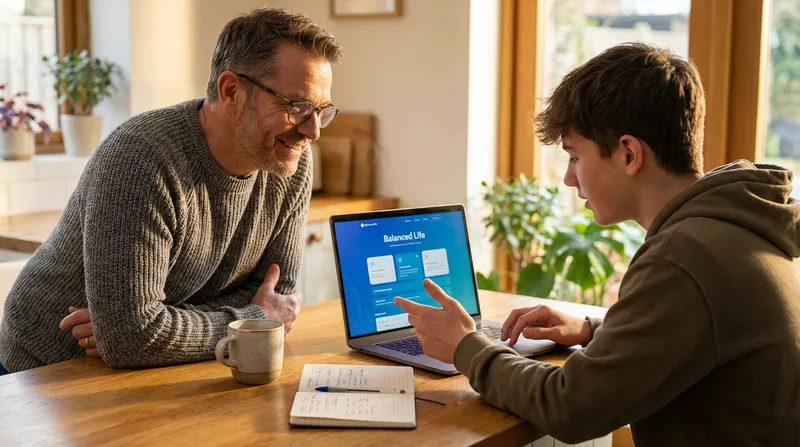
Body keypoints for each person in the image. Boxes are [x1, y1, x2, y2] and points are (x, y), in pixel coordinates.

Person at [395, 43, 800, 446]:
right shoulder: (736, 225)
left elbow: (568, 407)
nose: (569, 179)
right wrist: (594, 331)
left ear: (628, 154)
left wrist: (467, 347)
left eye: (574, 157)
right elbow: (701, 332)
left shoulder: (684, 258)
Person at [0, 7, 343, 374]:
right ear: (231, 92)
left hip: (153, 372)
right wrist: (251, 316)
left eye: (321, 111)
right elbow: (133, 338)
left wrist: (151, 328)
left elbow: (280, 298)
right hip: (42, 375)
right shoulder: (141, 157)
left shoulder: (288, 164)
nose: (313, 132)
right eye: (297, 108)